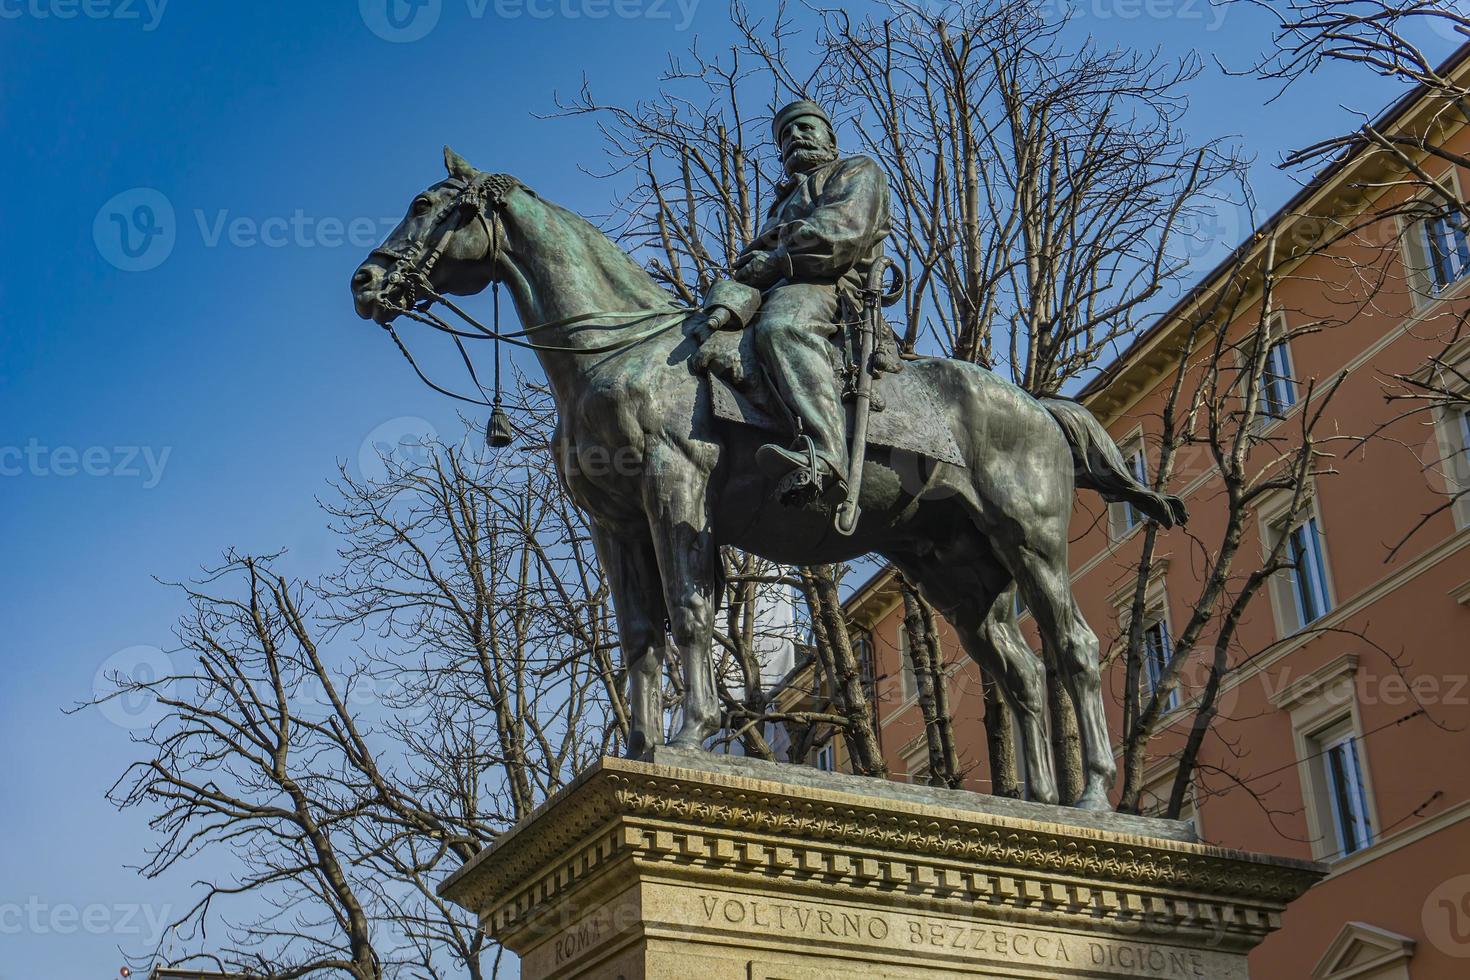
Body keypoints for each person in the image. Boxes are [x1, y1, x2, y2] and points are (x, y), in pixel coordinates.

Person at [728, 99, 893, 502]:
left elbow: (842, 233)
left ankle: (825, 452)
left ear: (830, 139)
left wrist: (778, 258)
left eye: (805, 128)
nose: (795, 138)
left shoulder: (857, 170)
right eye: (785, 135)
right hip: (773, 289)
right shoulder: (778, 206)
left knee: (784, 327)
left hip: (832, 287)